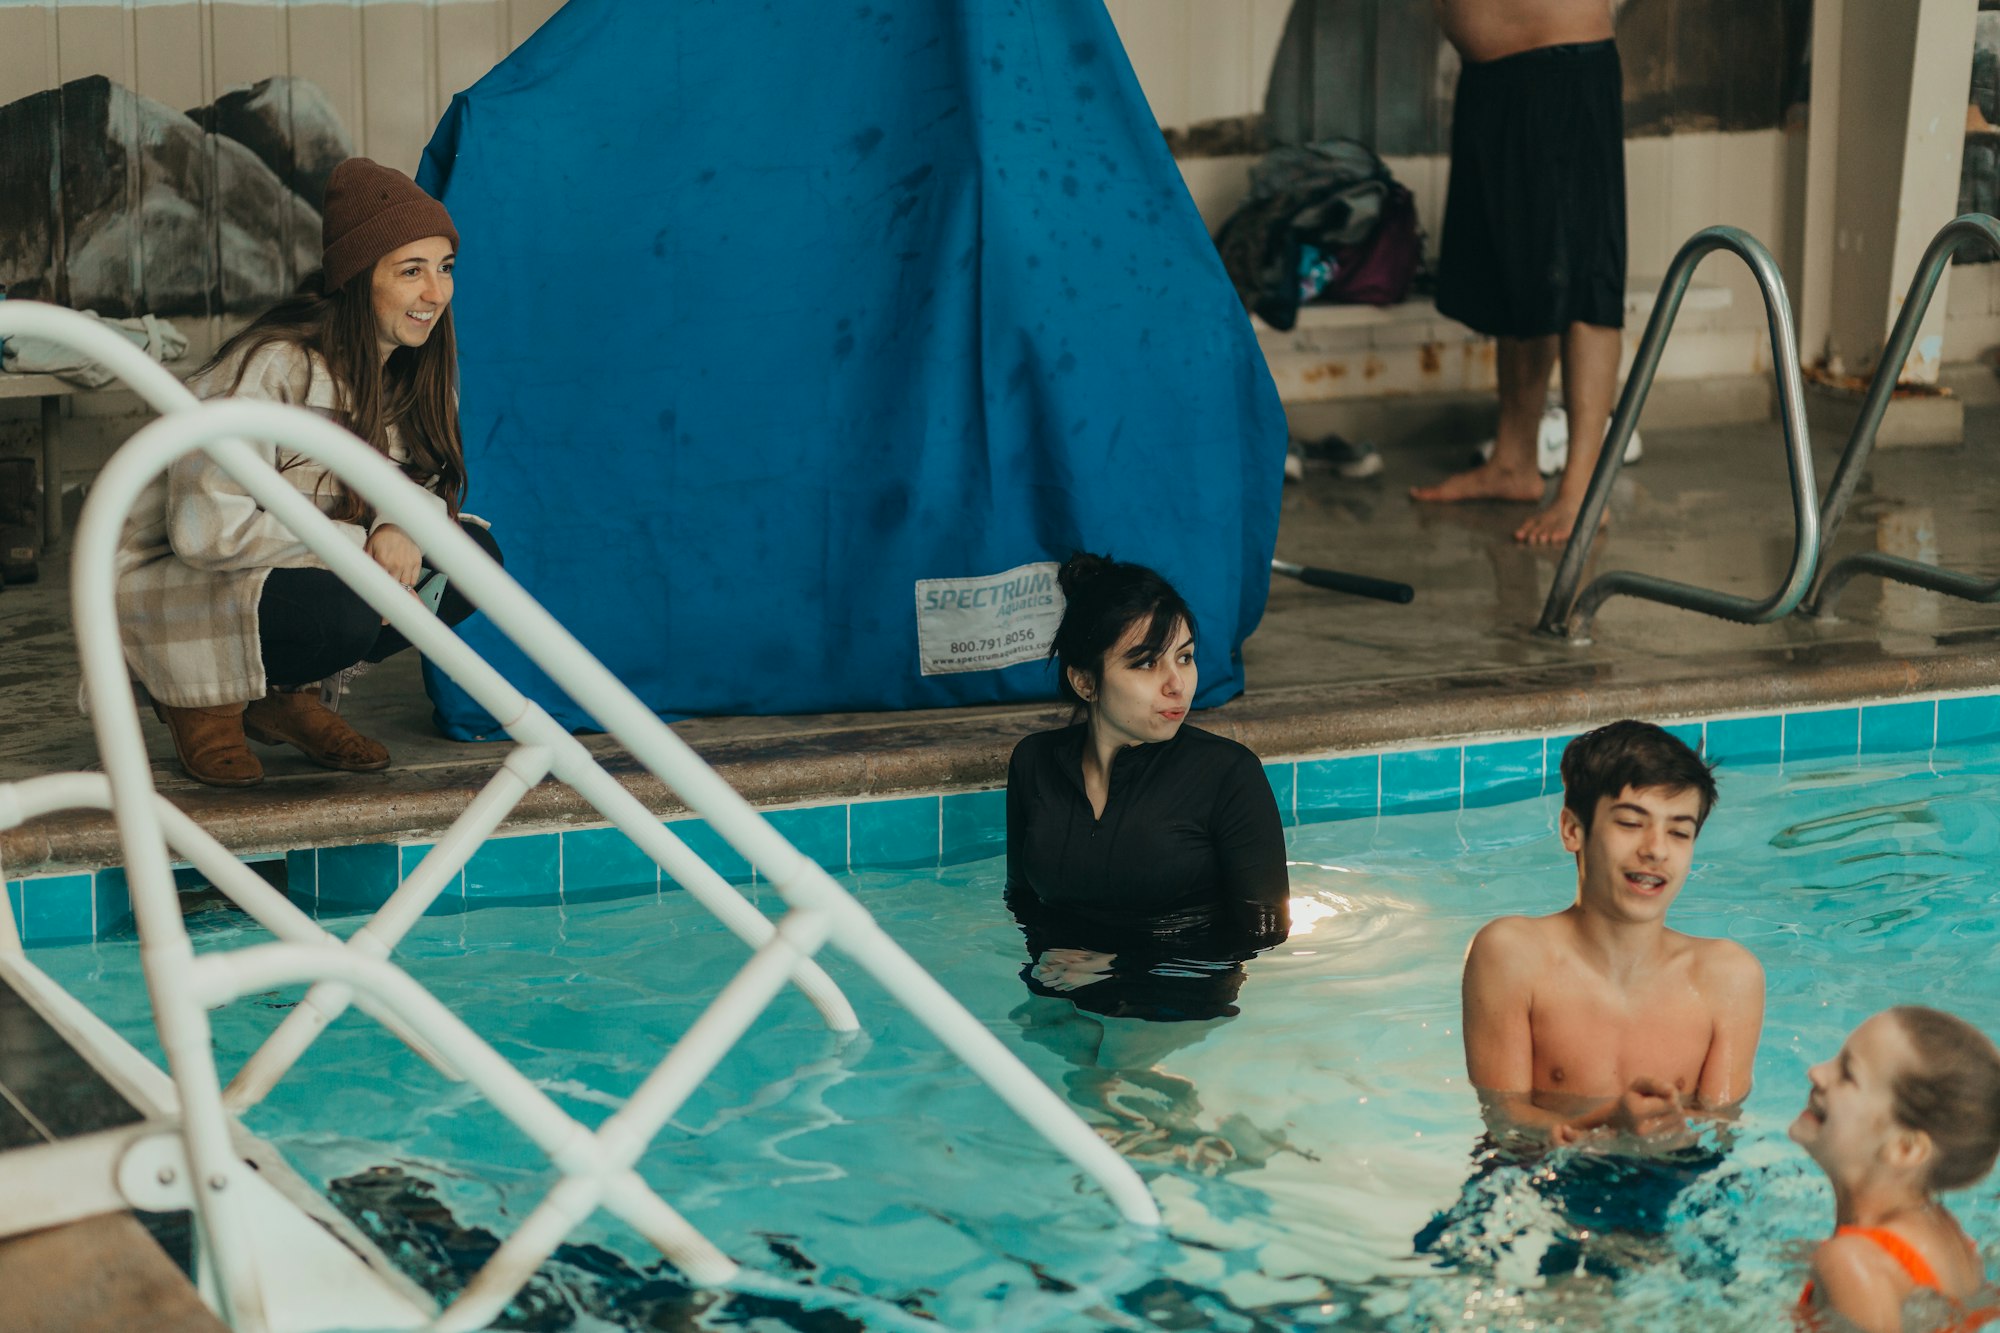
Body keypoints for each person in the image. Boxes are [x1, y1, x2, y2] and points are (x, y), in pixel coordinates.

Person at [115, 157, 500, 787]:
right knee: (345, 609)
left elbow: (421, 491)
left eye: (444, 268)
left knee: (473, 558)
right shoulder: (270, 368)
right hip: (186, 582)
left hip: (296, 574)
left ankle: (282, 697)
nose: (437, 293)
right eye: (411, 271)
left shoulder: (401, 371)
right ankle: (199, 699)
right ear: (356, 278)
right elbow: (205, 530)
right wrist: (360, 546)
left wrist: (399, 522)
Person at [1003, 553, 1290, 1026]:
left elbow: (1265, 931)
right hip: (1061, 978)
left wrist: (1123, 967)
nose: (1177, 685)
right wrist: (1050, 961)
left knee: (1115, 1082)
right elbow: (1022, 899)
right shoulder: (1034, 763)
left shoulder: (1226, 774)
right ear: (1084, 681)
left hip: (1181, 985)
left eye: (1185, 657)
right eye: (1145, 664)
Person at [1459, 720, 1765, 1143]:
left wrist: (1651, 1134)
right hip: (1537, 1176)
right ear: (1572, 830)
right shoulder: (1512, 954)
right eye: (1629, 823)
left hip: (1673, 1179)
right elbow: (1504, 1118)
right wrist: (1606, 1128)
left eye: (1679, 832)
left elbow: (1720, 1129)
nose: (1656, 849)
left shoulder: (1728, 976)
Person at [1411, 0, 1626, 546]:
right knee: (1516, 277)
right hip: (1493, 73)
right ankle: (1512, 461)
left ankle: (1581, 491)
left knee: (1582, 278)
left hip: (1561, 63)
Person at [1792, 1008, 2000, 1333]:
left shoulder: (1849, 1263)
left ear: (1905, 1148)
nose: (1816, 1071)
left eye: (1847, 1074)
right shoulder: (1945, 1232)